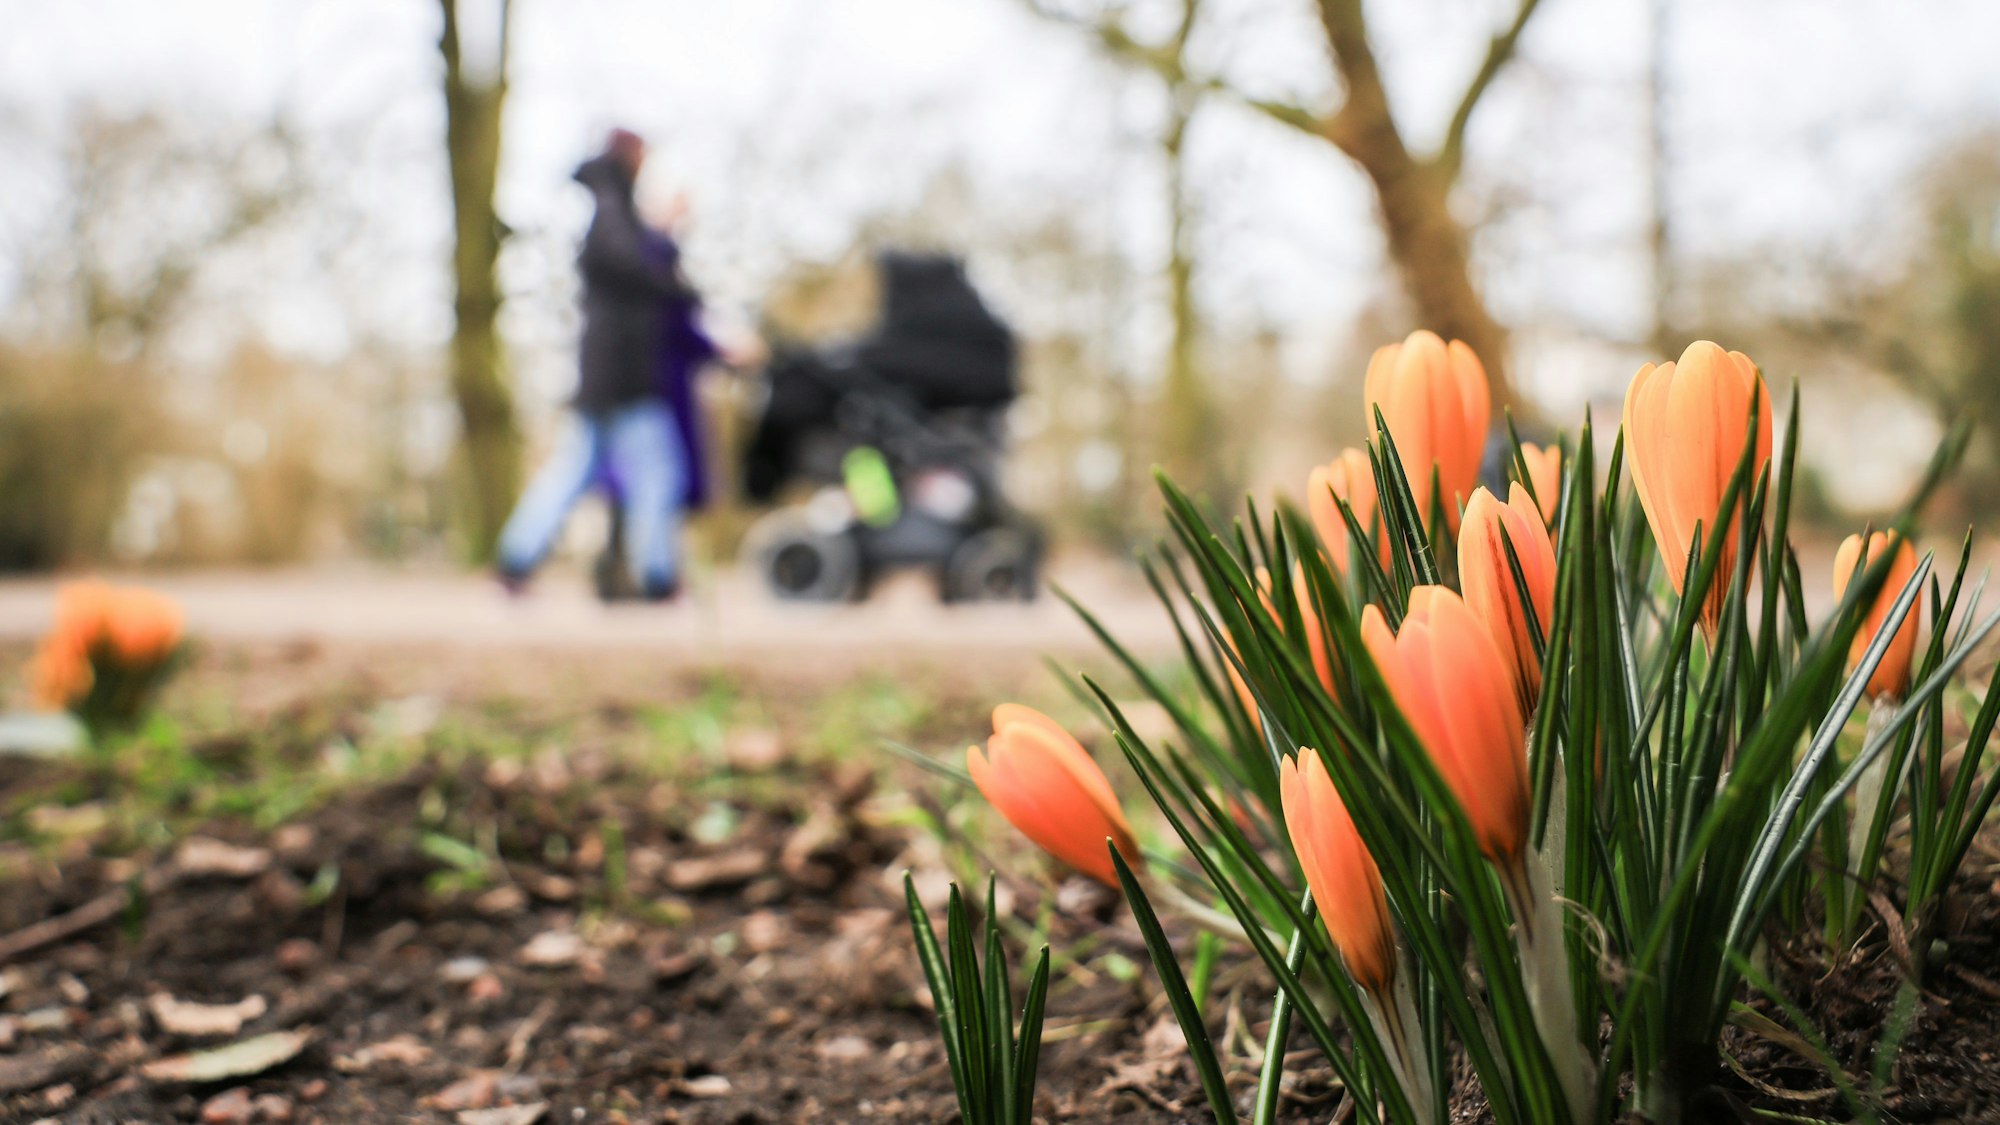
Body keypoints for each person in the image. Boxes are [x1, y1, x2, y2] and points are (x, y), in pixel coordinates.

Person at [497, 128, 705, 601]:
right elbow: (632, 268)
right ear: (630, 156)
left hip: (606, 371)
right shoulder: (613, 210)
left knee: (574, 470)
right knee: (656, 472)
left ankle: (516, 560)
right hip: (626, 373)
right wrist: (678, 282)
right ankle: (657, 576)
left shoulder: (611, 208)